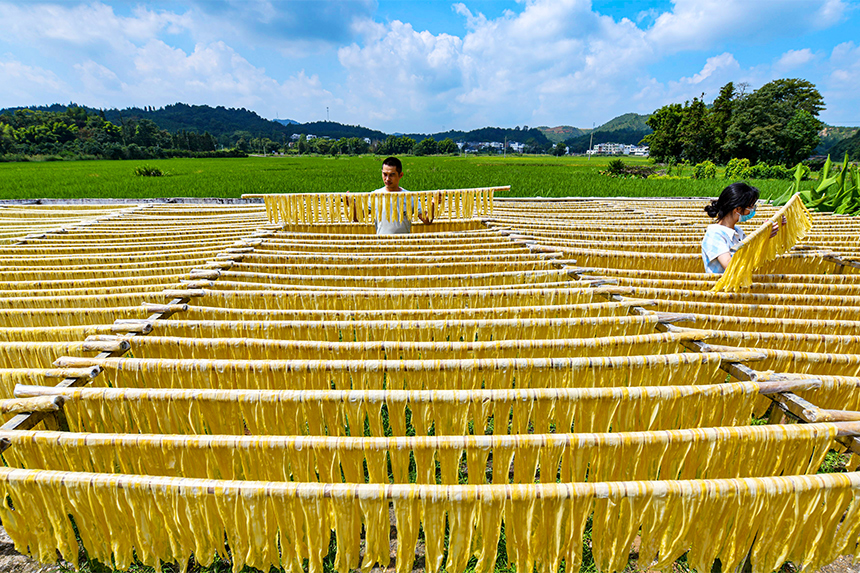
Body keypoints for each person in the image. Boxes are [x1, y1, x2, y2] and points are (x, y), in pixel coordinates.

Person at [701, 182, 784, 274]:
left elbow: (751, 254)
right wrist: (761, 238)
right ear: (737, 209)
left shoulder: (738, 231)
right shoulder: (714, 234)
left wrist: (765, 234)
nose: (752, 209)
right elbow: (730, 266)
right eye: (751, 206)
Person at [349, 157, 437, 234]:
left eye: (392, 175)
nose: (387, 179)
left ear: (400, 175)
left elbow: (427, 220)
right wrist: (352, 204)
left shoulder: (409, 197)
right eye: (385, 174)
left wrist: (433, 204)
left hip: (403, 246)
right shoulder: (375, 196)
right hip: (382, 245)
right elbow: (357, 218)